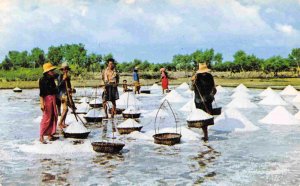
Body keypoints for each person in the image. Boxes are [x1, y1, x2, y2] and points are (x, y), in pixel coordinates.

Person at [192, 63, 216, 141]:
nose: (204, 73)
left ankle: (205, 134)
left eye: (205, 71)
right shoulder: (196, 77)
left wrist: (212, 95)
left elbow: (214, 88)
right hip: (199, 100)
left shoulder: (210, 76)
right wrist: (192, 81)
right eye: (203, 72)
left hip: (207, 99)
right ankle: (205, 133)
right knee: (202, 117)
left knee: (205, 117)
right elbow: (191, 88)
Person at [39, 62, 59, 144]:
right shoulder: (42, 80)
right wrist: (41, 103)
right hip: (47, 99)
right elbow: (41, 93)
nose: (53, 72)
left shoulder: (51, 79)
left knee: (54, 116)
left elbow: (57, 76)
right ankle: (41, 136)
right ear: (48, 72)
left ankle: (50, 135)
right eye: (51, 70)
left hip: (53, 98)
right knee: (47, 118)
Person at [57, 62, 75, 130]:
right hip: (62, 94)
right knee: (65, 109)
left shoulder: (68, 76)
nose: (66, 70)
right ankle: (60, 123)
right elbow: (59, 86)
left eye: (67, 69)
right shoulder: (60, 76)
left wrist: (70, 90)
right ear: (62, 70)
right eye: (65, 69)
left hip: (67, 94)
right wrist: (63, 80)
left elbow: (69, 86)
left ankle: (63, 123)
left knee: (66, 110)